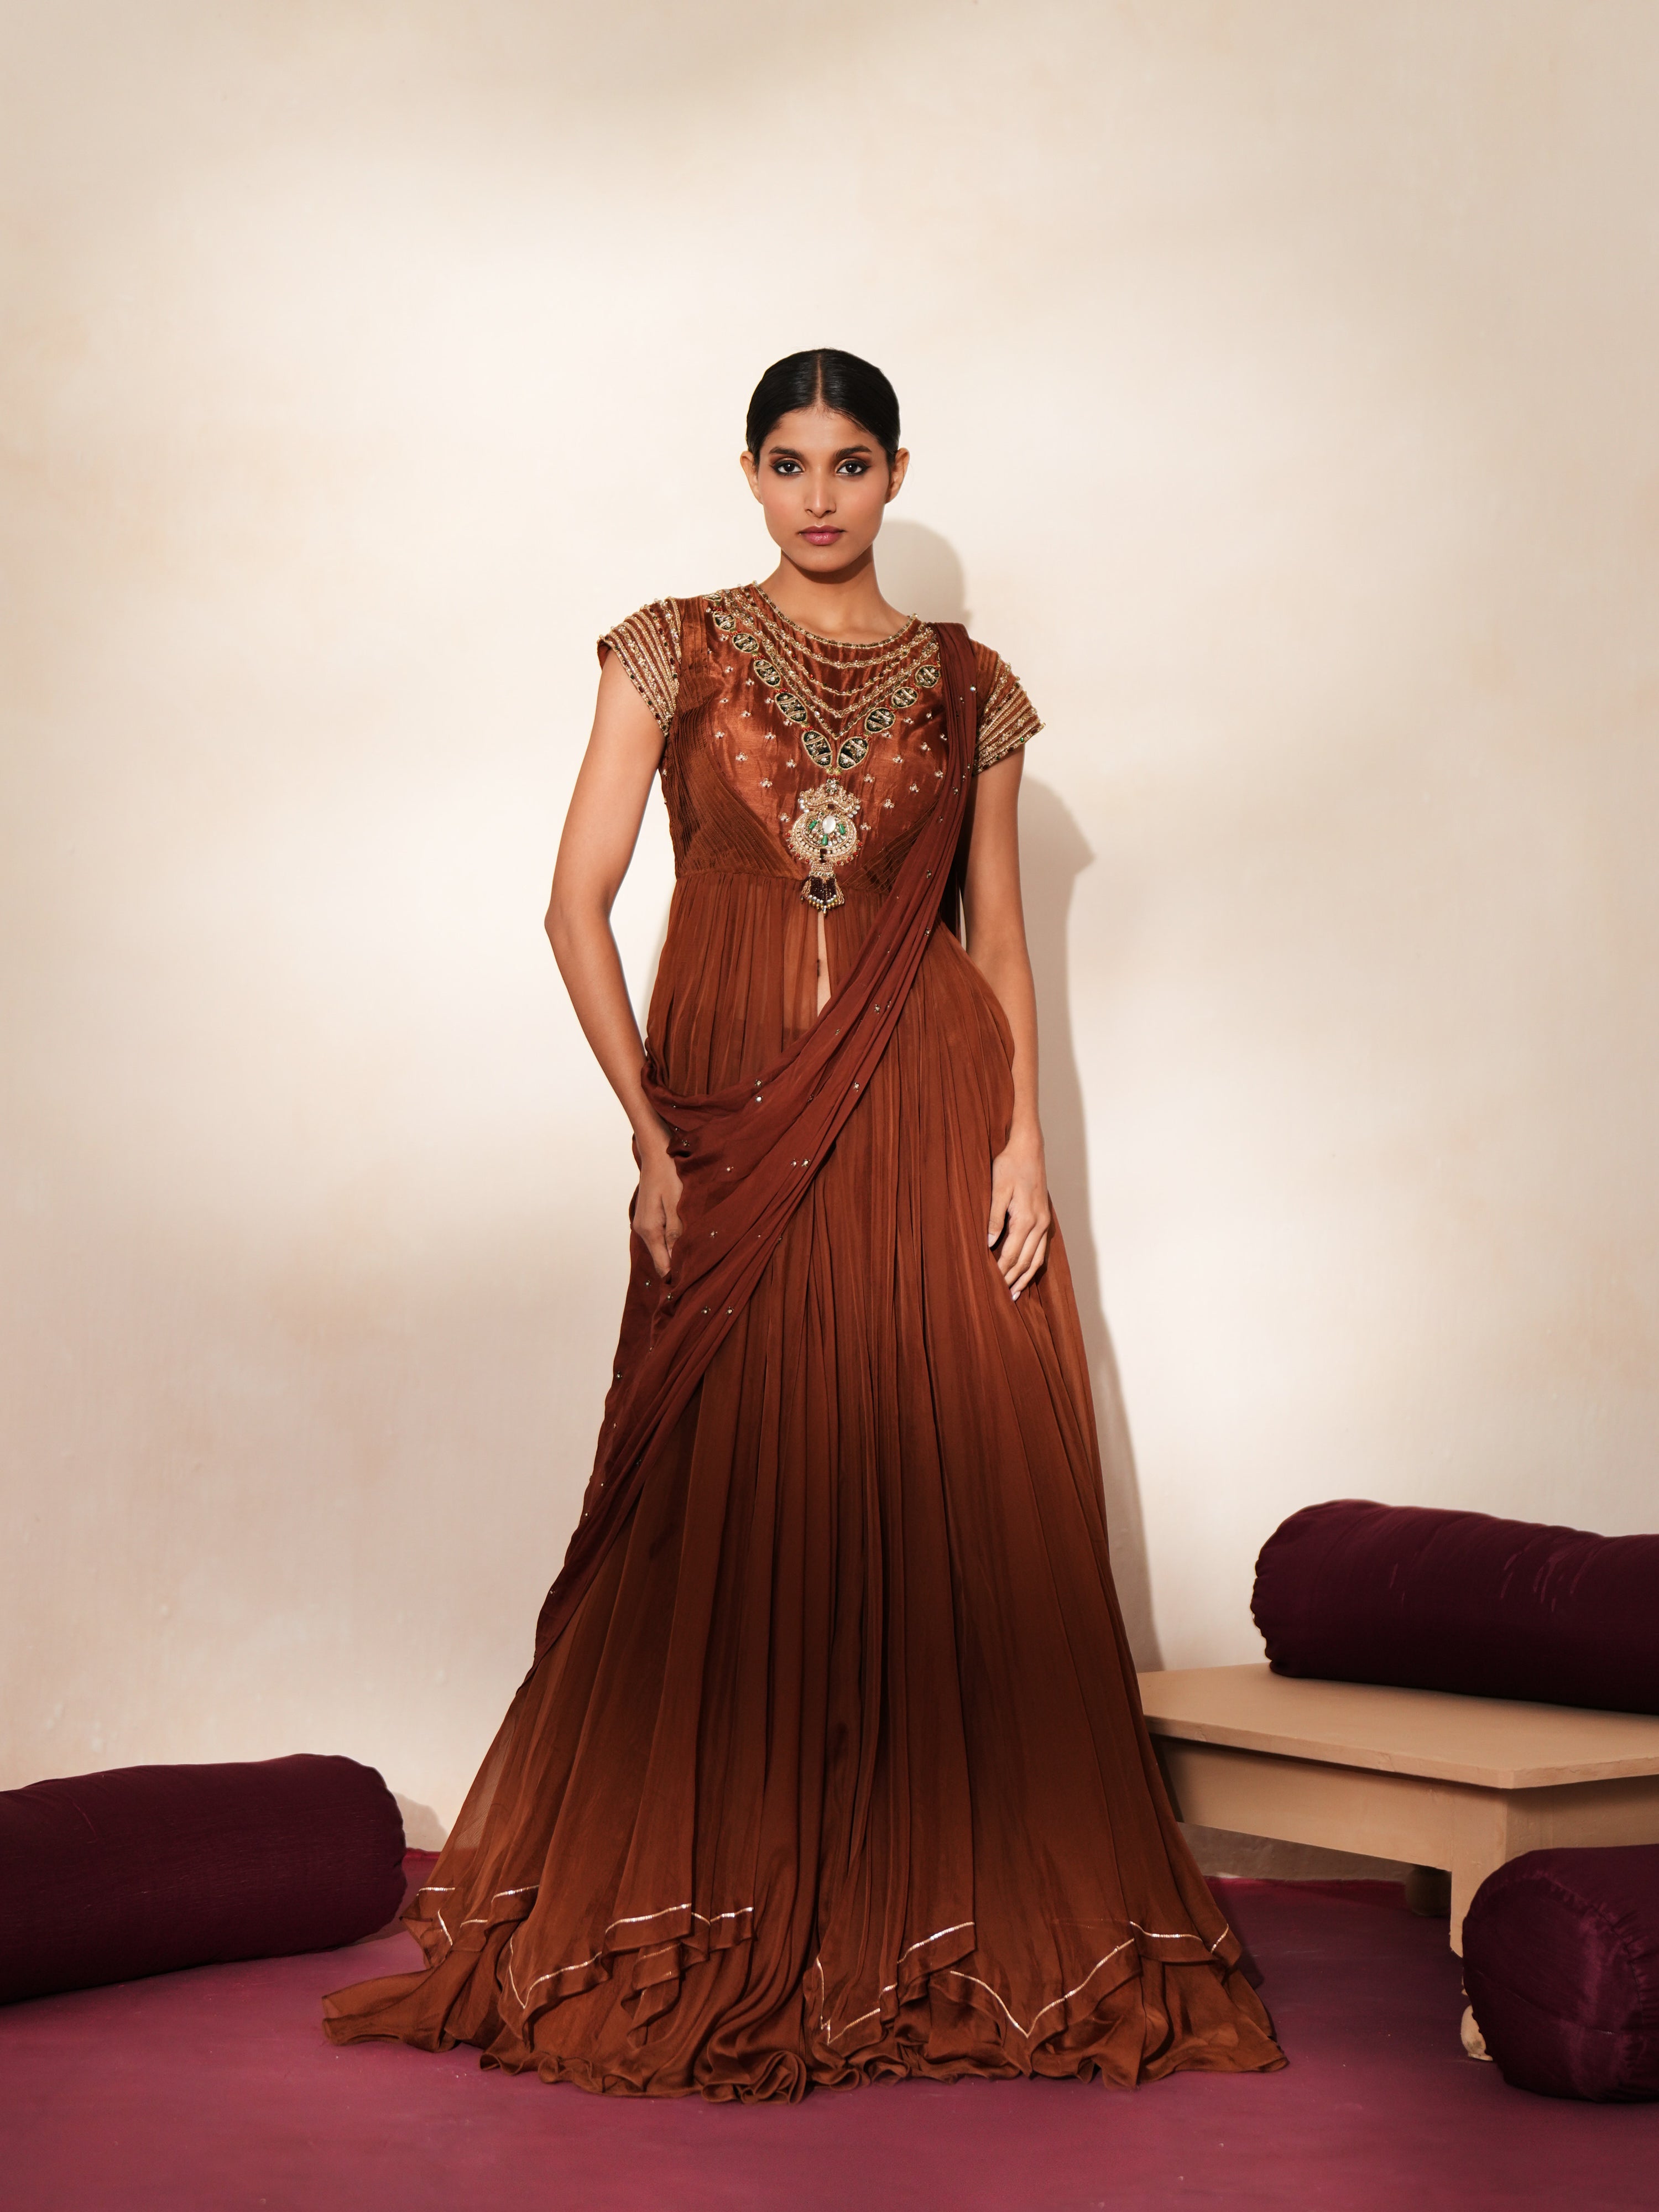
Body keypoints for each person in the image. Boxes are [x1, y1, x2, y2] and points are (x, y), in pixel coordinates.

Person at [324, 348, 1285, 2100]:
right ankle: (713, 1898)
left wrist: (1023, 1148)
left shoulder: (974, 687)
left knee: (946, 1474)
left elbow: (999, 944)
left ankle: (931, 1916)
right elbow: (573, 905)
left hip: (927, 1111)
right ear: (749, 474)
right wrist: (648, 1132)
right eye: (789, 461)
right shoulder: (669, 650)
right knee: (720, 1483)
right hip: (728, 1114)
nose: (820, 494)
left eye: (851, 462)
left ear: (898, 473)